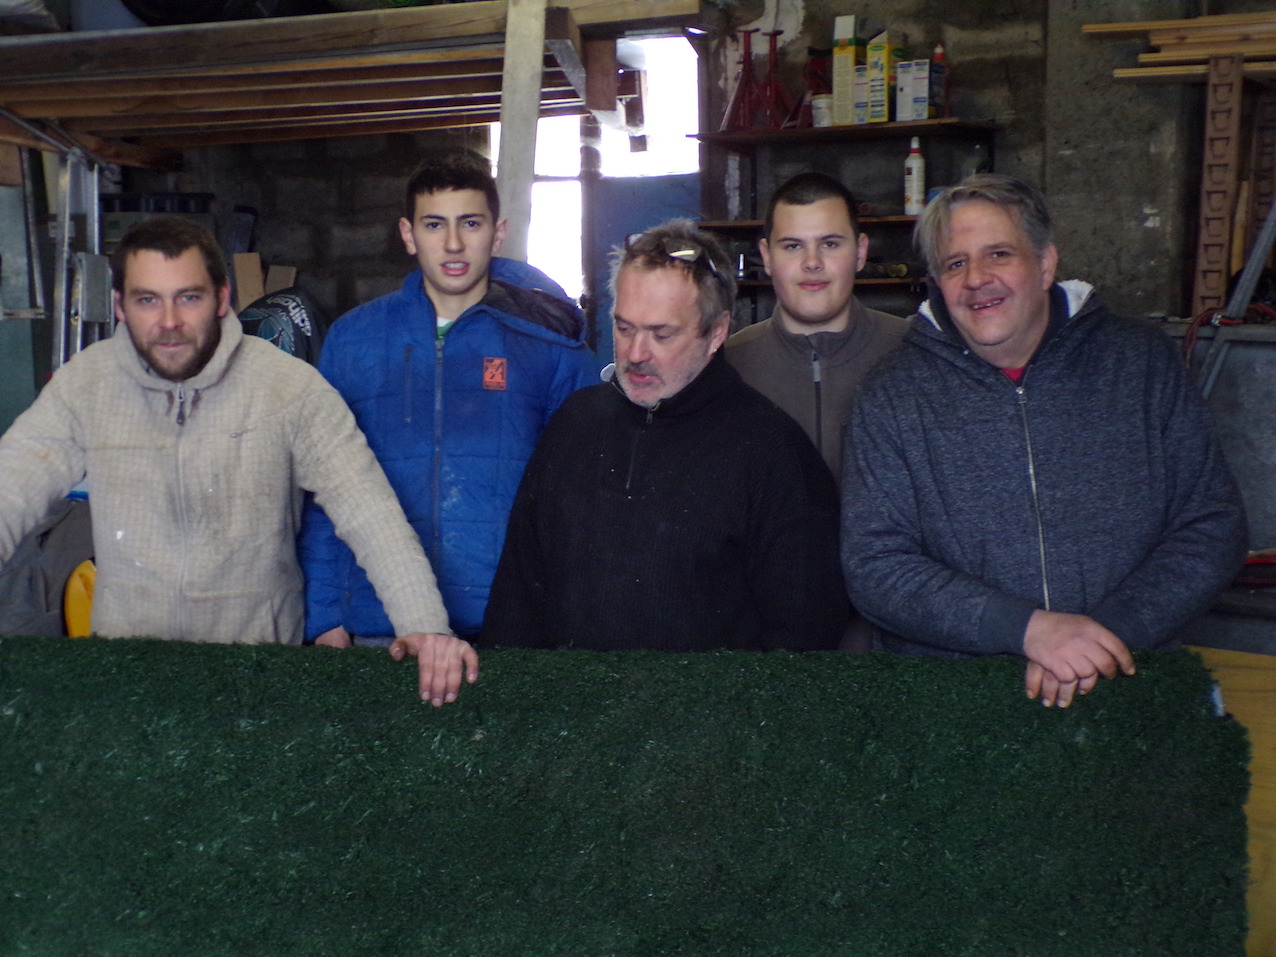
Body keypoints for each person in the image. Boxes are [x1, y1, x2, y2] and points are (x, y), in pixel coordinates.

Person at [0, 216, 476, 706]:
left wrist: (424, 625)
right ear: (120, 306)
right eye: (148, 300)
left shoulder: (290, 390)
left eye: (189, 297)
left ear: (222, 298)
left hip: (257, 677)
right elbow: (13, 483)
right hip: (129, 671)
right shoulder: (87, 385)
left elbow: (370, 513)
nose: (169, 321)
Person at [841, 174, 1247, 708]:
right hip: (957, 705)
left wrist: (1100, 639)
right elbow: (875, 565)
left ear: (1046, 263)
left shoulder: (1141, 364)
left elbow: (1211, 523)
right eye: (955, 263)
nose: (976, 279)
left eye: (999, 254)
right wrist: (1030, 630)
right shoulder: (892, 394)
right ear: (937, 282)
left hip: (1135, 682)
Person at [482, 219, 847, 652]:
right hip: (568, 696)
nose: (636, 353)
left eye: (661, 334)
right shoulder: (574, 424)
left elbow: (803, 637)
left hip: (711, 698)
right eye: (624, 328)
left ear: (716, 332)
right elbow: (517, 596)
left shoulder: (772, 452)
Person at [299, 150, 595, 648]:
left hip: (509, 626)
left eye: (470, 223)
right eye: (434, 224)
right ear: (408, 234)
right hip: (379, 623)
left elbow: (583, 493)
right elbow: (321, 485)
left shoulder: (550, 346)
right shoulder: (353, 341)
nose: (453, 243)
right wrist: (325, 614)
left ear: (497, 233)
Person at [725, 171, 908, 483]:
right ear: (767, 257)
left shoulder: (912, 352)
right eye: (793, 246)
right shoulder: (727, 368)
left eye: (830, 244)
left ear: (860, 253)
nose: (812, 262)